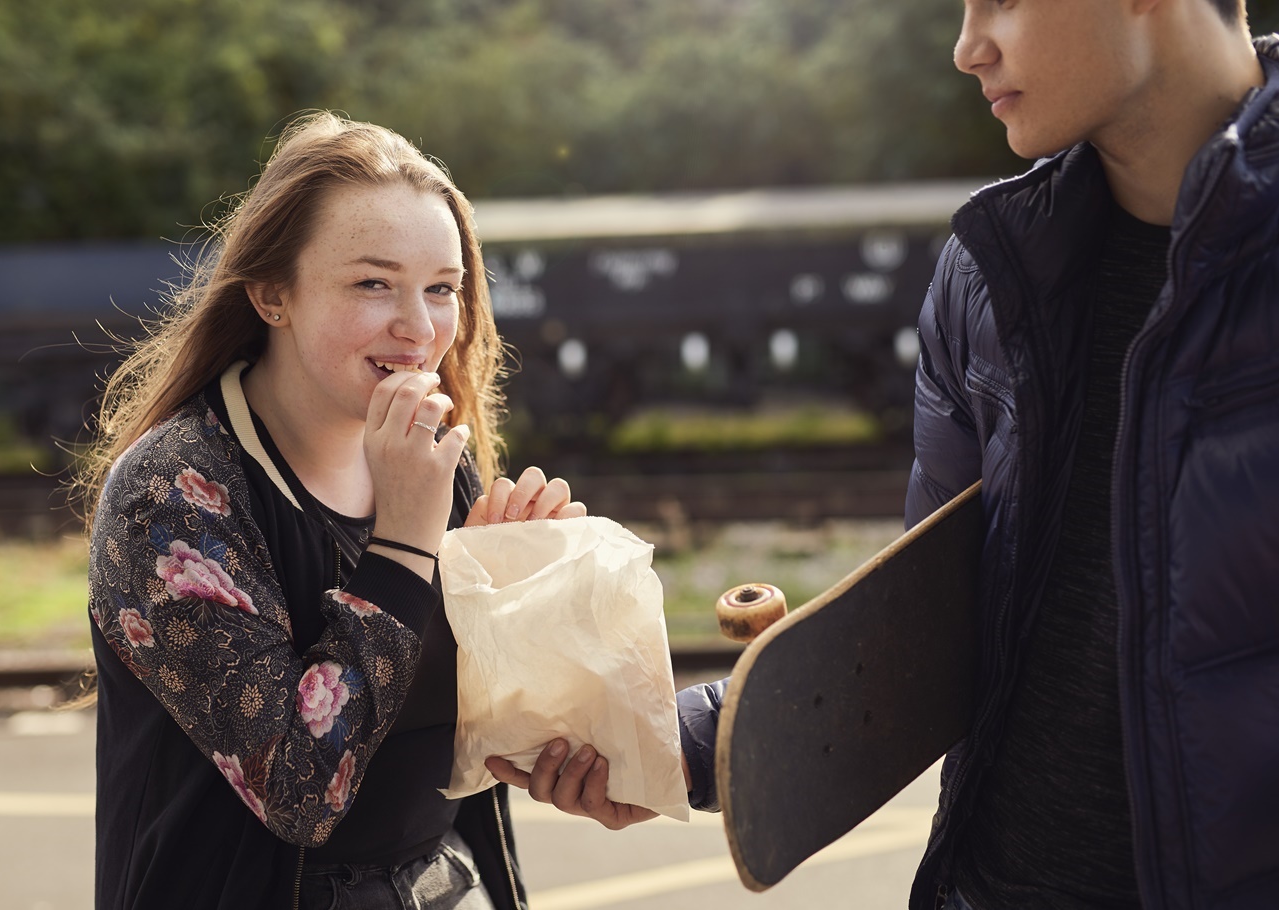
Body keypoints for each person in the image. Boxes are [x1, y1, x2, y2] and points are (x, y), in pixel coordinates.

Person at [494, 3, 1279, 909]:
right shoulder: (988, 274)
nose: (965, 47)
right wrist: (695, 742)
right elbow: (936, 625)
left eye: (1002, 1)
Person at [78, 112, 587, 910]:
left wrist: (515, 610)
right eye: (371, 283)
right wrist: (408, 549)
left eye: (441, 289)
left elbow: (458, 735)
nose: (419, 330)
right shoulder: (171, 493)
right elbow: (299, 788)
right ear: (272, 293)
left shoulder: (428, 457)